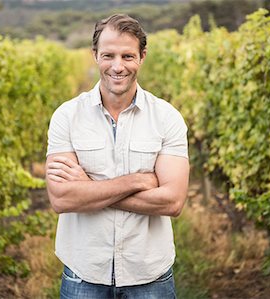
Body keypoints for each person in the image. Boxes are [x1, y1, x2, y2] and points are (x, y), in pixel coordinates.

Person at [45, 13, 189, 299]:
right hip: (83, 271)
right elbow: (61, 199)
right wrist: (138, 180)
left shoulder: (167, 118)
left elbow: (172, 201)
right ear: (95, 55)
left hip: (150, 274)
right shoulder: (67, 116)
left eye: (127, 56)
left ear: (142, 57)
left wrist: (89, 188)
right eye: (108, 55)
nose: (118, 66)